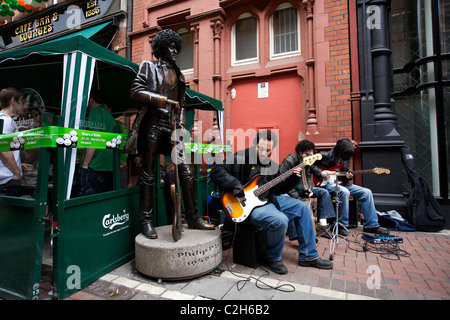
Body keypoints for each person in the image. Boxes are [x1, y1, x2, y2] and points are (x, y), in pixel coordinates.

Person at [130, 29, 214, 239]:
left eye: (177, 46)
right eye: (171, 46)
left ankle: (194, 218)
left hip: (173, 126)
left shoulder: (179, 73)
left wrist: (182, 120)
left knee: (185, 172)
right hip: (153, 125)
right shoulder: (148, 66)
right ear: (160, 48)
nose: (175, 50)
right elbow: (135, 90)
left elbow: (182, 103)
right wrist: (161, 100)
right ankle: (146, 221)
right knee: (148, 174)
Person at [210, 130, 333, 274]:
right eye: (261, 149)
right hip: (246, 206)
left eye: (268, 150)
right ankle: (273, 258)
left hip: (268, 200)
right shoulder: (239, 157)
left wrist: (293, 178)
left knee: (302, 207)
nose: (264, 153)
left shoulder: (271, 165)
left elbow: (279, 189)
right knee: (280, 220)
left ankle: (308, 255)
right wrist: (235, 185)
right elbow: (216, 171)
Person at [314, 138, 388, 235]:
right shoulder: (324, 155)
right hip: (327, 184)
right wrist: (320, 173)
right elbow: (310, 165)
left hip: (341, 183)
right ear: (339, 151)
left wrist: (348, 177)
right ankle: (342, 225)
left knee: (366, 192)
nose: (346, 157)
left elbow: (344, 175)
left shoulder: (346, 158)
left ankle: (371, 225)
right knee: (344, 191)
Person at [280, 139, 349, 239]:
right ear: (300, 152)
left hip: (303, 188)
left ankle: (323, 224)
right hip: (290, 190)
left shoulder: (308, 160)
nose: (310, 156)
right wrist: (298, 197)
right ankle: (296, 234)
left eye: (311, 153)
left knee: (324, 192)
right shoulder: (290, 161)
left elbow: (308, 176)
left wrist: (309, 188)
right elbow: (283, 183)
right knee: (295, 201)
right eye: (307, 154)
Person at [78, 90, 116, 196]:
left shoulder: (95, 111)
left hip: (94, 167)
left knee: (87, 204)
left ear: (91, 100)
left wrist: (85, 165)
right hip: (109, 167)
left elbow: (93, 138)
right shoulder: (109, 116)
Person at [0, 87, 24, 196]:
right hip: (7, 180)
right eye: (20, 103)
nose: (22, 106)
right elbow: (3, 148)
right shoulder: (6, 121)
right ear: (13, 101)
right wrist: (17, 172)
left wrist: (20, 164)